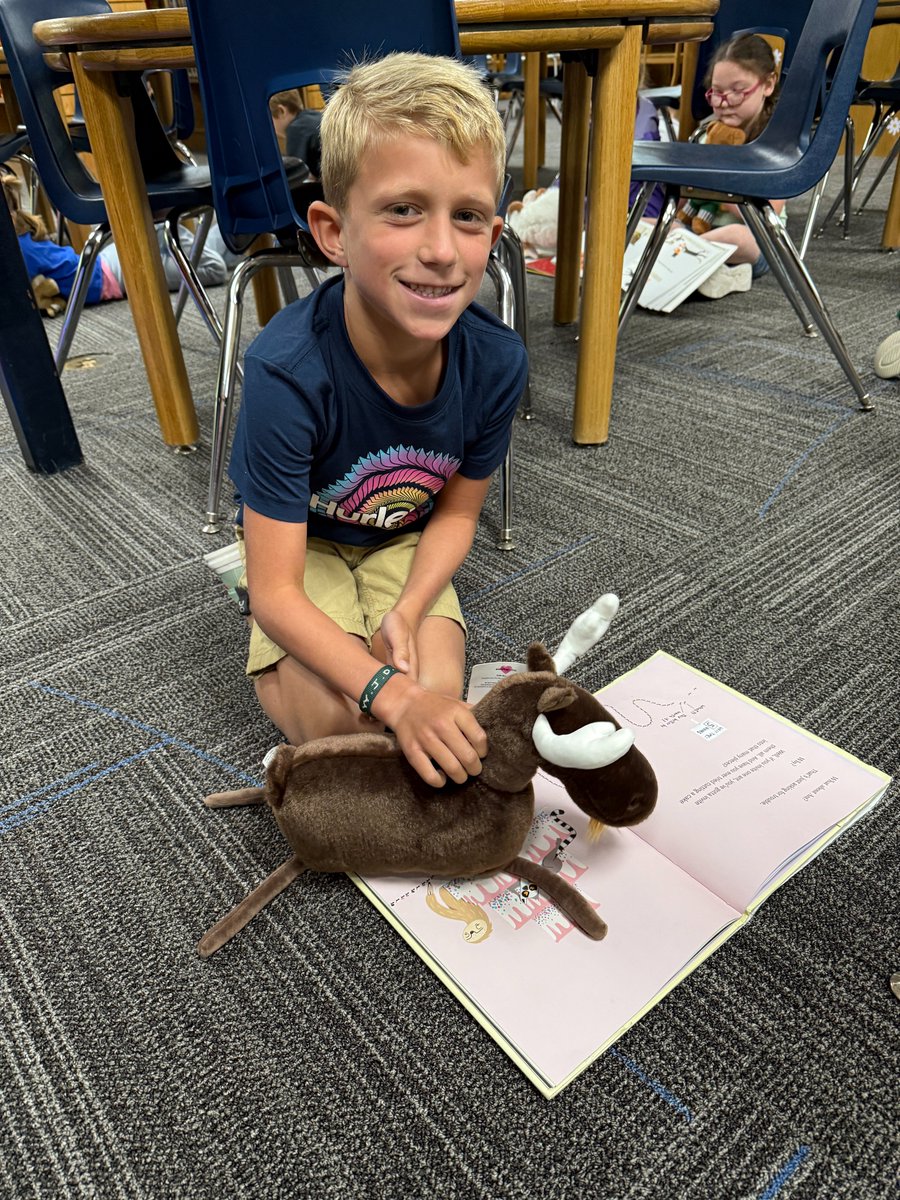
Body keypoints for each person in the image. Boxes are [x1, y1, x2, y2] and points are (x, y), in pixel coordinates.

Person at [227, 52, 528, 788]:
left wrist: (414, 605)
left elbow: (457, 515)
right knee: (349, 730)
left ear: (493, 231)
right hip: (306, 554)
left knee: (442, 704)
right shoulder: (285, 371)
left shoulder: (496, 362)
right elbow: (278, 590)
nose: (439, 251)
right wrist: (384, 692)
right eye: (402, 209)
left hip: (405, 542)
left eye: (466, 218)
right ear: (332, 232)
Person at [688, 34, 783, 300]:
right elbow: (686, 199)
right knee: (655, 223)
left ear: (767, 85)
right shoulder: (708, 134)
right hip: (703, 230)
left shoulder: (772, 146)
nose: (723, 102)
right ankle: (708, 270)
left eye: (737, 91)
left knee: (737, 236)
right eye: (716, 92)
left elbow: (769, 216)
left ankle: (673, 254)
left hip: (757, 242)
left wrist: (718, 184)